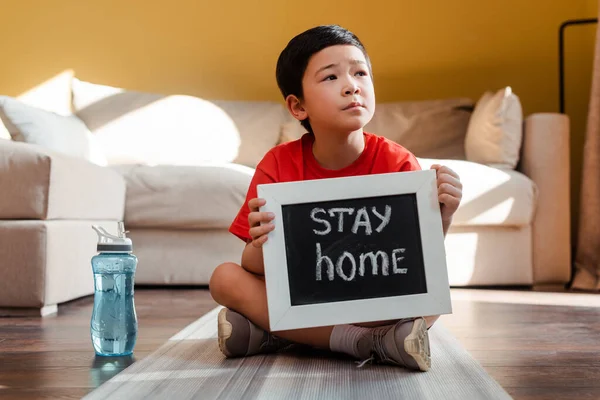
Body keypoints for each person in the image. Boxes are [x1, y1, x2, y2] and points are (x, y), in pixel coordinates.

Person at [209, 24, 463, 372]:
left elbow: (417, 263)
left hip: (372, 298)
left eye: (360, 72)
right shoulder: (278, 163)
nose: (352, 86)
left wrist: (442, 218)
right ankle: (368, 343)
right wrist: (262, 242)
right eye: (330, 78)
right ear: (298, 106)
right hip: (303, 298)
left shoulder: (398, 162)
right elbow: (251, 266)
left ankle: (276, 334)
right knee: (224, 277)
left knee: (432, 302)